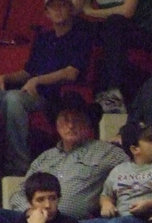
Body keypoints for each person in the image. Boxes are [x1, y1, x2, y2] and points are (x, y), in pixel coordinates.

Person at [0, 0, 92, 177]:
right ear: (46, 13)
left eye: (62, 5)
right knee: (7, 96)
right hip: (30, 91)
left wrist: (37, 80)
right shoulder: (44, 38)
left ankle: (19, 166)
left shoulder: (80, 36)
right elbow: (28, 72)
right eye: (53, 6)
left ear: (71, 9)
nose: (58, 10)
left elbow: (71, 73)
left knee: (13, 99)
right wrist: (4, 77)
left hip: (55, 97)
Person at [8, 93, 128, 221]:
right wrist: (30, 211)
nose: (70, 126)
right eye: (65, 119)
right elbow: (19, 194)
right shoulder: (44, 158)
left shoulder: (107, 152)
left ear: (88, 124)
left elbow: (134, 172)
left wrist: (107, 199)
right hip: (34, 220)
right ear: (56, 124)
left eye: (76, 120)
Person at [81, 122, 152, 223]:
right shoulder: (119, 170)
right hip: (117, 218)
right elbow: (106, 195)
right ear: (135, 149)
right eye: (150, 140)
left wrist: (151, 203)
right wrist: (106, 204)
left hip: (146, 219)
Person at [76, 0, 152, 113]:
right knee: (85, 28)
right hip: (111, 32)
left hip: (140, 28)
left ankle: (113, 90)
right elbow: (73, 9)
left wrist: (91, 12)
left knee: (114, 23)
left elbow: (127, 12)